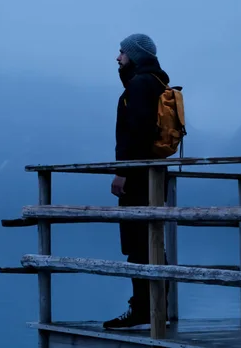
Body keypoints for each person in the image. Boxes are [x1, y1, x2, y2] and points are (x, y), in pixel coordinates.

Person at [103, 33, 169, 329]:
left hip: (138, 177)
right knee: (150, 242)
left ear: (136, 54)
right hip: (153, 174)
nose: (118, 58)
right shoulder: (156, 82)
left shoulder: (141, 85)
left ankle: (143, 310)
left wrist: (122, 171)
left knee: (138, 244)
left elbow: (137, 132)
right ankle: (155, 308)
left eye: (122, 53)